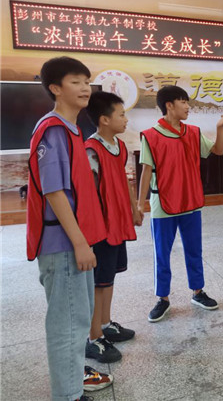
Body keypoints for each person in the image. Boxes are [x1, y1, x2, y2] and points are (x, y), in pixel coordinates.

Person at [27, 56, 113, 400]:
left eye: (86, 81)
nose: (85, 88)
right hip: (63, 245)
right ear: (55, 88)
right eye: (75, 81)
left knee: (78, 319)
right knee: (67, 324)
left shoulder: (72, 129)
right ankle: (68, 395)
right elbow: (54, 191)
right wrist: (79, 243)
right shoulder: (54, 130)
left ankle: (73, 381)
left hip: (74, 241)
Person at [137, 85, 223, 322]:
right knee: (162, 253)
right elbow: (146, 172)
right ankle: (163, 298)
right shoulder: (151, 136)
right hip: (163, 205)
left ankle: (198, 292)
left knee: (194, 250)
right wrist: (140, 204)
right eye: (183, 102)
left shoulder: (192, 132)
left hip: (191, 202)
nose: (187, 106)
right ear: (169, 105)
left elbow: (219, 150)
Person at [84, 91, 142, 364]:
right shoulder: (91, 150)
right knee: (98, 282)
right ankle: (93, 337)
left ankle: (106, 324)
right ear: (104, 119)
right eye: (121, 114)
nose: (126, 119)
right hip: (102, 228)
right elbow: (88, 195)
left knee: (109, 277)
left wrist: (134, 208)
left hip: (118, 223)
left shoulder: (119, 146)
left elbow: (125, 179)